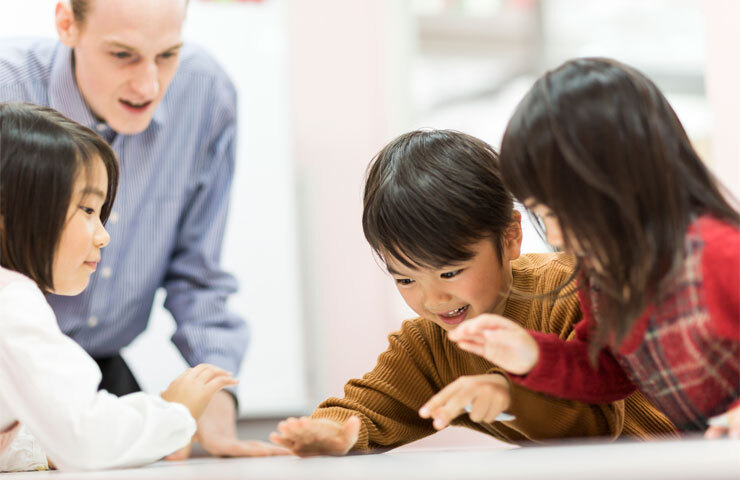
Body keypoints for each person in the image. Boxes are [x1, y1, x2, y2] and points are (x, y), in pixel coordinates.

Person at [268, 129, 677, 457]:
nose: (432, 299)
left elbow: (593, 424)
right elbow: (368, 409)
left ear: (511, 236)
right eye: (405, 279)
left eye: (449, 271)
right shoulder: (429, 343)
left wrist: (506, 395)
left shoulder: (569, 291)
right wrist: (333, 433)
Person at [0, 0, 277, 457]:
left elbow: (198, 271)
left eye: (168, 55)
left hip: (91, 375)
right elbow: (83, 439)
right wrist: (173, 413)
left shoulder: (205, 94)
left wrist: (212, 401)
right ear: (66, 23)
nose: (149, 84)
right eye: (122, 54)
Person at [448, 58, 740, 438]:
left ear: (619, 181)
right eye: (540, 213)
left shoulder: (719, 254)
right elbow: (609, 372)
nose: (553, 233)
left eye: (556, 212)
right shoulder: (603, 279)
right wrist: (530, 354)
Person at [0, 102, 238, 472]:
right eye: (88, 210)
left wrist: (45, 447)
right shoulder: (12, 300)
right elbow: (83, 439)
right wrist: (175, 412)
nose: (104, 236)